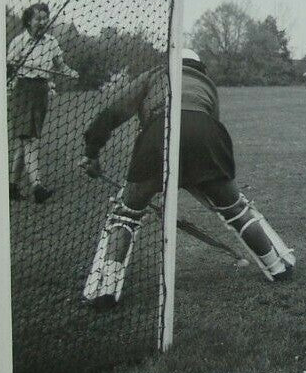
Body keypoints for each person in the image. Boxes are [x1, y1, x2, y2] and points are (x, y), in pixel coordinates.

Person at [79, 48, 294, 309]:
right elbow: (202, 131)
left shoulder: (155, 74)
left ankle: (107, 288)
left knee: (126, 214)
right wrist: (196, 178)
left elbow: (113, 112)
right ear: (198, 66)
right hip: (206, 135)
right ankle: (277, 267)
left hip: (158, 134)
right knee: (236, 210)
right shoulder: (207, 84)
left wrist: (91, 153)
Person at [6, 2, 79, 203]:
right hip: (23, 90)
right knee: (30, 140)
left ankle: (12, 186)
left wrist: (71, 73)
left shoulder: (51, 42)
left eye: (45, 18)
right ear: (29, 21)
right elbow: (8, 66)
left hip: (41, 92)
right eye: (38, 18)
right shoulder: (19, 42)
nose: (42, 22)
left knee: (25, 141)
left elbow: (61, 66)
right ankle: (37, 187)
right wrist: (13, 63)